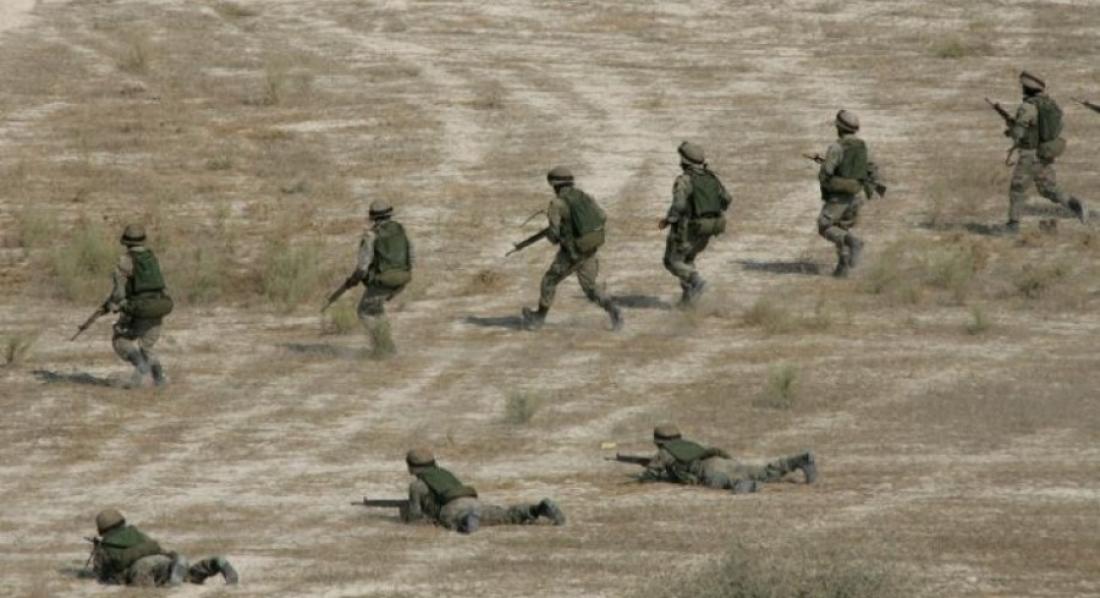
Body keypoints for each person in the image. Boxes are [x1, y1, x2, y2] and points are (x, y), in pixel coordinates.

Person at [521, 167, 622, 331]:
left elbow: (554, 236)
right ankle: (613, 309)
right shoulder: (584, 196)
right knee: (590, 287)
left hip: (571, 253)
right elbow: (602, 217)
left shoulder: (556, 203)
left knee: (549, 281)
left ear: (554, 184)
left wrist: (556, 233)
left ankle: (538, 318)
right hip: (590, 248)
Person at [401, 448, 566, 533]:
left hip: (452, 508)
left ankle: (466, 520)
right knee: (506, 515)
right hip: (472, 501)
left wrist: (407, 516)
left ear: (411, 467)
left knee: (454, 522)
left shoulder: (417, 486)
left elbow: (415, 518)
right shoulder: (445, 473)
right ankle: (537, 509)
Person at [1002, 71, 1088, 233]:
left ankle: (1012, 226)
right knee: (1048, 188)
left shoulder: (1028, 107)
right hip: (1044, 153)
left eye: (1023, 87)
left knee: (1017, 188)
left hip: (1029, 154)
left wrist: (1010, 128)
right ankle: (1075, 205)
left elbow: (1018, 134)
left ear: (1027, 88)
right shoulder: (1048, 103)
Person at [638, 424, 817, 494]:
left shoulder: (665, 452)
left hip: (709, 470)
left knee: (723, 483)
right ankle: (799, 460)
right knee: (763, 471)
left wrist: (649, 474)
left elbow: (648, 477)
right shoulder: (687, 444)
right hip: (721, 460)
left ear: (658, 442)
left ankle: (745, 485)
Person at [334, 201, 413, 357]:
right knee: (377, 310)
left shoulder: (371, 235)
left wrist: (353, 280)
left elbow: (363, 266)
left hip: (383, 280)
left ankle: (383, 347)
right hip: (404, 277)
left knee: (364, 311)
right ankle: (389, 348)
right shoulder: (400, 230)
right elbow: (412, 256)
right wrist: (404, 277)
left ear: (372, 217)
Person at [660, 141, 732, 304]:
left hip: (689, 229)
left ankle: (697, 282)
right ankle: (688, 301)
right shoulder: (712, 177)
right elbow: (727, 199)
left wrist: (669, 219)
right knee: (688, 260)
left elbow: (679, 205)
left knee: (672, 261)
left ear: (684, 161)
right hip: (710, 227)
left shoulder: (684, 180)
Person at [88, 508, 237, 587]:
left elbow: (101, 574)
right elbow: (156, 548)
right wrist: (171, 556)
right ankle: (214, 563)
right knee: (187, 577)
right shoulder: (135, 532)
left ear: (102, 528)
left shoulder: (105, 546)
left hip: (142, 568)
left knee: (147, 589)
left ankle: (171, 585)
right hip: (162, 561)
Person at [815, 110, 883, 277]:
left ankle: (855, 243)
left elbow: (826, 173)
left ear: (839, 127)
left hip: (840, 197)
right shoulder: (862, 146)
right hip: (857, 194)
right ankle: (842, 268)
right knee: (841, 229)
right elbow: (871, 169)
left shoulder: (836, 147)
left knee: (825, 226)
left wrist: (829, 186)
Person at [106, 224, 173, 387]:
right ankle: (159, 379)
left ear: (125, 242)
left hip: (139, 309)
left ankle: (142, 369)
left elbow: (119, 293)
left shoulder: (125, 261)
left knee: (120, 340)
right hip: (159, 305)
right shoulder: (152, 258)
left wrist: (114, 305)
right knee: (147, 347)